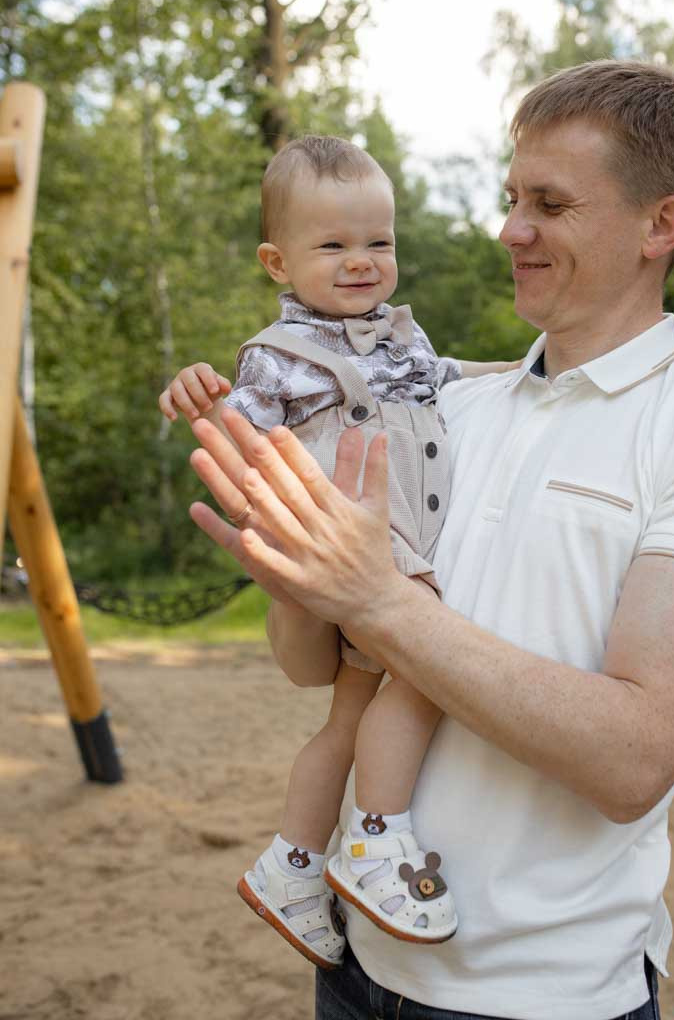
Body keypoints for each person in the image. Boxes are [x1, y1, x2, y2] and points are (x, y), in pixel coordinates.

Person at [182, 61, 674, 1020]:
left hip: (541, 999)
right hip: (353, 972)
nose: (510, 230)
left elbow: (636, 759)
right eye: (512, 199)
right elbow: (311, 666)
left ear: (660, 225)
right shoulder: (443, 409)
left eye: (549, 205)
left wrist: (378, 598)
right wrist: (294, 575)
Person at [159, 136, 519, 970]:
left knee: (349, 716)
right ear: (277, 262)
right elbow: (233, 426)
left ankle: (291, 861)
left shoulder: (399, 337)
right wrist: (195, 383)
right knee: (430, 675)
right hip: (364, 552)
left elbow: (445, 378)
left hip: (385, 551)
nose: (362, 262)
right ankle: (375, 841)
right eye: (333, 246)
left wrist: (523, 369)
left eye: (379, 242)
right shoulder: (278, 356)